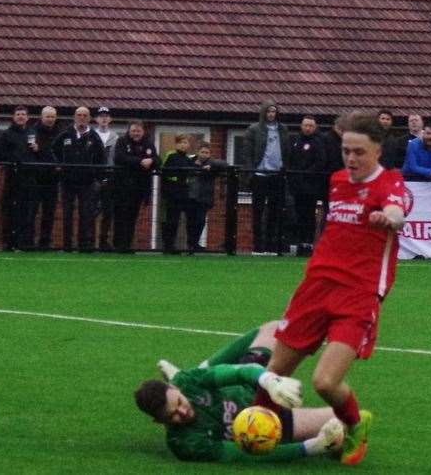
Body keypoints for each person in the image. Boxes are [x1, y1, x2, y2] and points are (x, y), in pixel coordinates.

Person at [252, 112, 407, 465]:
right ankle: (253, 429)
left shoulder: (391, 183)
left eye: (359, 153)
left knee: (325, 381)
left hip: (358, 294)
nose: (351, 159)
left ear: (378, 151)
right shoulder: (337, 180)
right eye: (346, 151)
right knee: (274, 375)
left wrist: (389, 217)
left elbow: (398, 211)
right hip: (316, 286)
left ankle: (355, 424)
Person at [134, 321, 344, 463]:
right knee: (340, 424)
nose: (182, 412)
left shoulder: (186, 383)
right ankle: (201, 369)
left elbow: (236, 372)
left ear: (175, 388)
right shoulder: (185, 444)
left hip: (249, 387)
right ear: (159, 422)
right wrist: (309, 448)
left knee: (274, 327)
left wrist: (269, 381)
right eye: (172, 416)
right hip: (263, 422)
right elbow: (243, 455)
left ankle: (200, 368)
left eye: (179, 402)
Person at [241, 100, 290, 253]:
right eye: (268, 112)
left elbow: (287, 151)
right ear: (264, 113)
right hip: (260, 174)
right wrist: (250, 171)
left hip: (277, 175)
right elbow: (247, 153)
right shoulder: (254, 129)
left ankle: (271, 245)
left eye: (273, 112)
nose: (271, 114)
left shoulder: (283, 129)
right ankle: (257, 246)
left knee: (275, 212)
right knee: (258, 211)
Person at [53, 107, 104, 251]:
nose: (82, 117)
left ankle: (84, 246)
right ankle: (67, 246)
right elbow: (53, 150)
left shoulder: (94, 136)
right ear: (74, 117)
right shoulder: (65, 134)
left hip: (87, 182)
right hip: (68, 181)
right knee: (67, 214)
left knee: (86, 214)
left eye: (85, 115)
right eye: (79, 115)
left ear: (89, 118)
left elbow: (101, 158)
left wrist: (97, 177)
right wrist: (58, 165)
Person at [113, 120, 158, 252]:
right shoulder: (122, 141)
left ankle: (127, 244)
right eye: (133, 131)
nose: (136, 133)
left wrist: (151, 160)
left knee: (132, 216)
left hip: (140, 187)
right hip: (122, 186)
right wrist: (140, 161)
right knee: (120, 215)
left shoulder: (148, 143)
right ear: (129, 131)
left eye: (138, 131)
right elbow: (120, 158)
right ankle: (118, 244)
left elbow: (157, 160)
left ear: (143, 131)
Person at [0, 106, 35, 251]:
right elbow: (0, 153)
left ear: (27, 117)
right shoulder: (6, 134)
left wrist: (36, 149)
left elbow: (37, 154)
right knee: (11, 210)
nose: (21, 116)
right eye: (18, 114)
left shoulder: (32, 132)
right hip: (13, 177)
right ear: (13, 117)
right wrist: (14, 160)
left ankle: (23, 242)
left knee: (26, 210)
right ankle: (9, 242)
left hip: (29, 177)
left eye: (23, 114)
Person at [287, 116, 327, 254]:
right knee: (298, 214)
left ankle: (309, 243)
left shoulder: (318, 142)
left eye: (310, 126)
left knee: (310, 215)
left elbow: (321, 162)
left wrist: (307, 173)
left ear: (314, 127)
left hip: (311, 187)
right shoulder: (295, 141)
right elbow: (290, 159)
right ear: (301, 126)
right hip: (297, 186)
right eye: (305, 125)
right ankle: (299, 243)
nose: (308, 128)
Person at [26, 106, 61, 250]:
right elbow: (32, 150)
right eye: (48, 116)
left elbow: (58, 152)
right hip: (35, 177)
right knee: (32, 211)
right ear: (42, 117)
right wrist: (43, 151)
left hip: (52, 178)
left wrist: (42, 150)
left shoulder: (61, 132)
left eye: (53, 117)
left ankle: (45, 241)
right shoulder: (32, 131)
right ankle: (28, 241)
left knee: (49, 212)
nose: (50, 119)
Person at [160, 134, 199, 253]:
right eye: (181, 142)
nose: (183, 145)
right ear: (176, 144)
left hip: (184, 193)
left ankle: (189, 245)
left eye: (186, 143)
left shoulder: (188, 159)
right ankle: (168, 245)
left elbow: (194, 171)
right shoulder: (171, 155)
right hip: (171, 193)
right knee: (171, 219)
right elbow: (163, 171)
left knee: (183, 220)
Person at [189, 142, 227, 251]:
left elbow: (225, 164)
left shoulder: (212, 163)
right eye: (202, 152)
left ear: (210, 154)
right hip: (190, 196)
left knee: (200, 221)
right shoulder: (190, 161)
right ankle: (191, 243)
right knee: (190, 221)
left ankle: (194, 243)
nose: (204, 154)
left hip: (204, 198)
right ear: (197, 152)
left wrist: (212, 166)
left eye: (207, 152)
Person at [94, 107, 119, 251]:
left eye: (106, 116)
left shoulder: (115, 137)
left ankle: (104, 241)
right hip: (94, 176)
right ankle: (88, 240)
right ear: (96, 119)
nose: (103, 119)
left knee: (108, 210)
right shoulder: (91, 135)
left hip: (110, 176)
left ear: (110, 119)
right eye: (101, 116)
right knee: (90, 210)